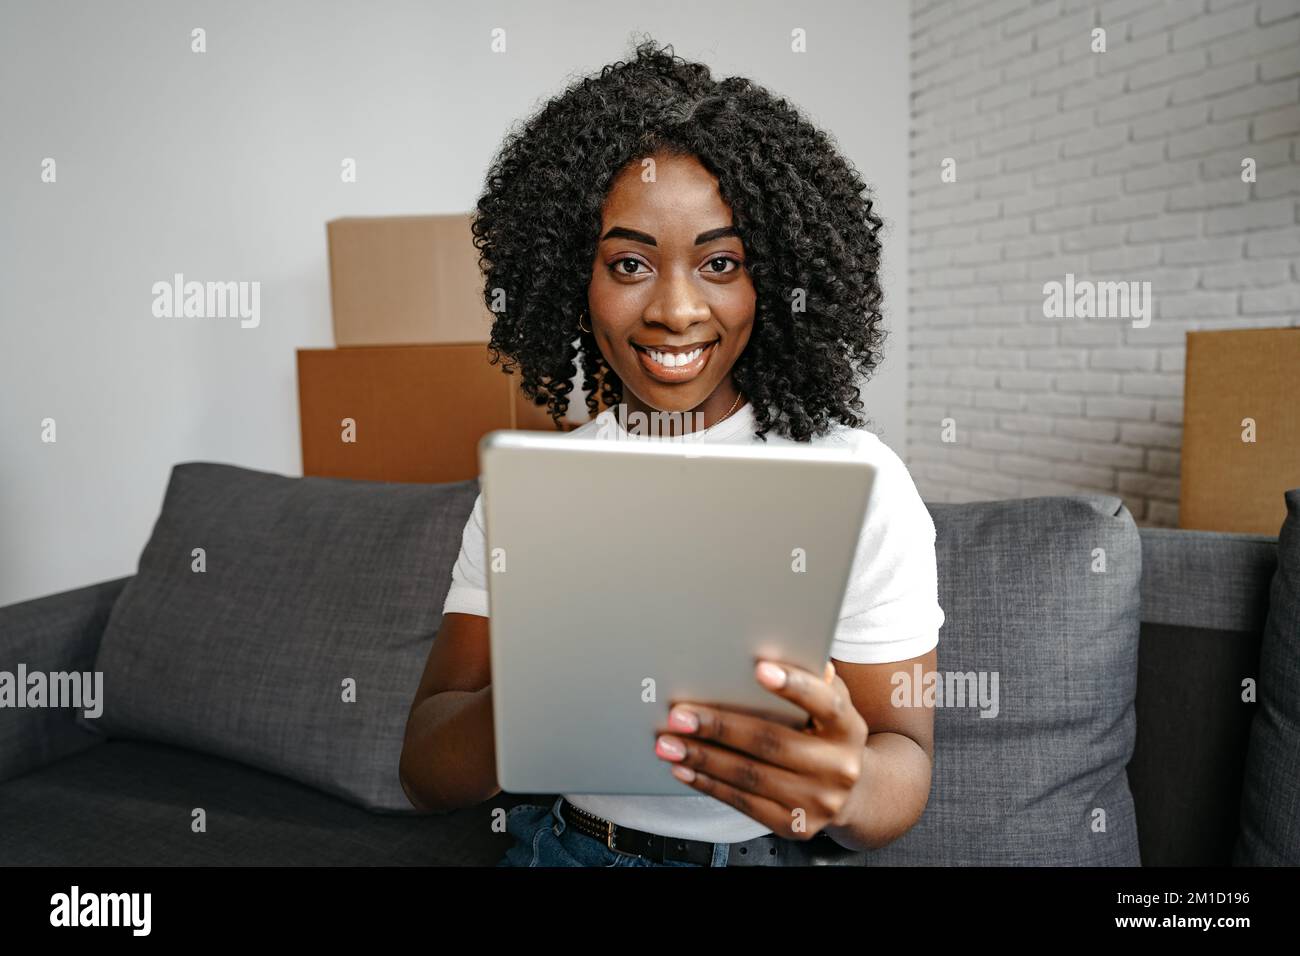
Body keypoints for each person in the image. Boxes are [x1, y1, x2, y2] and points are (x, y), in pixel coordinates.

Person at [400, 37, 944, 867]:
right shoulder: (533, 494)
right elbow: (427, 771)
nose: (677, 310)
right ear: (571, 280)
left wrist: (849, 786)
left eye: (721, 262)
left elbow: (903, 759)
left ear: (775, 277)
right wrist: (544, 687)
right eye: (629, 263)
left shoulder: (858, 479)